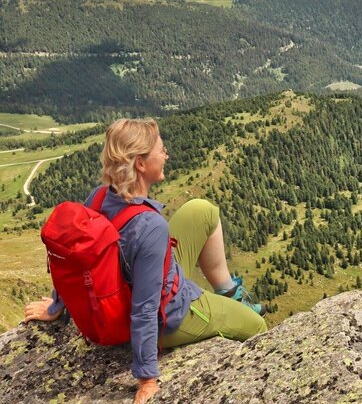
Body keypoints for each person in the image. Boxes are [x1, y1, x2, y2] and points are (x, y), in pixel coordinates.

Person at [24, 118, 267, 404]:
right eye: (161, 150)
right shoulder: (151, 227)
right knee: (257, 327)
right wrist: (147, 378)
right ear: (140, 163)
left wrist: (56, 305)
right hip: (172, 315)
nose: (166, 155)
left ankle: (229, 291)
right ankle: (229, 307)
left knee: (203, 211)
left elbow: (80, 258)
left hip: (139, 281)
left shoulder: (99, 197)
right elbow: (145, 309)